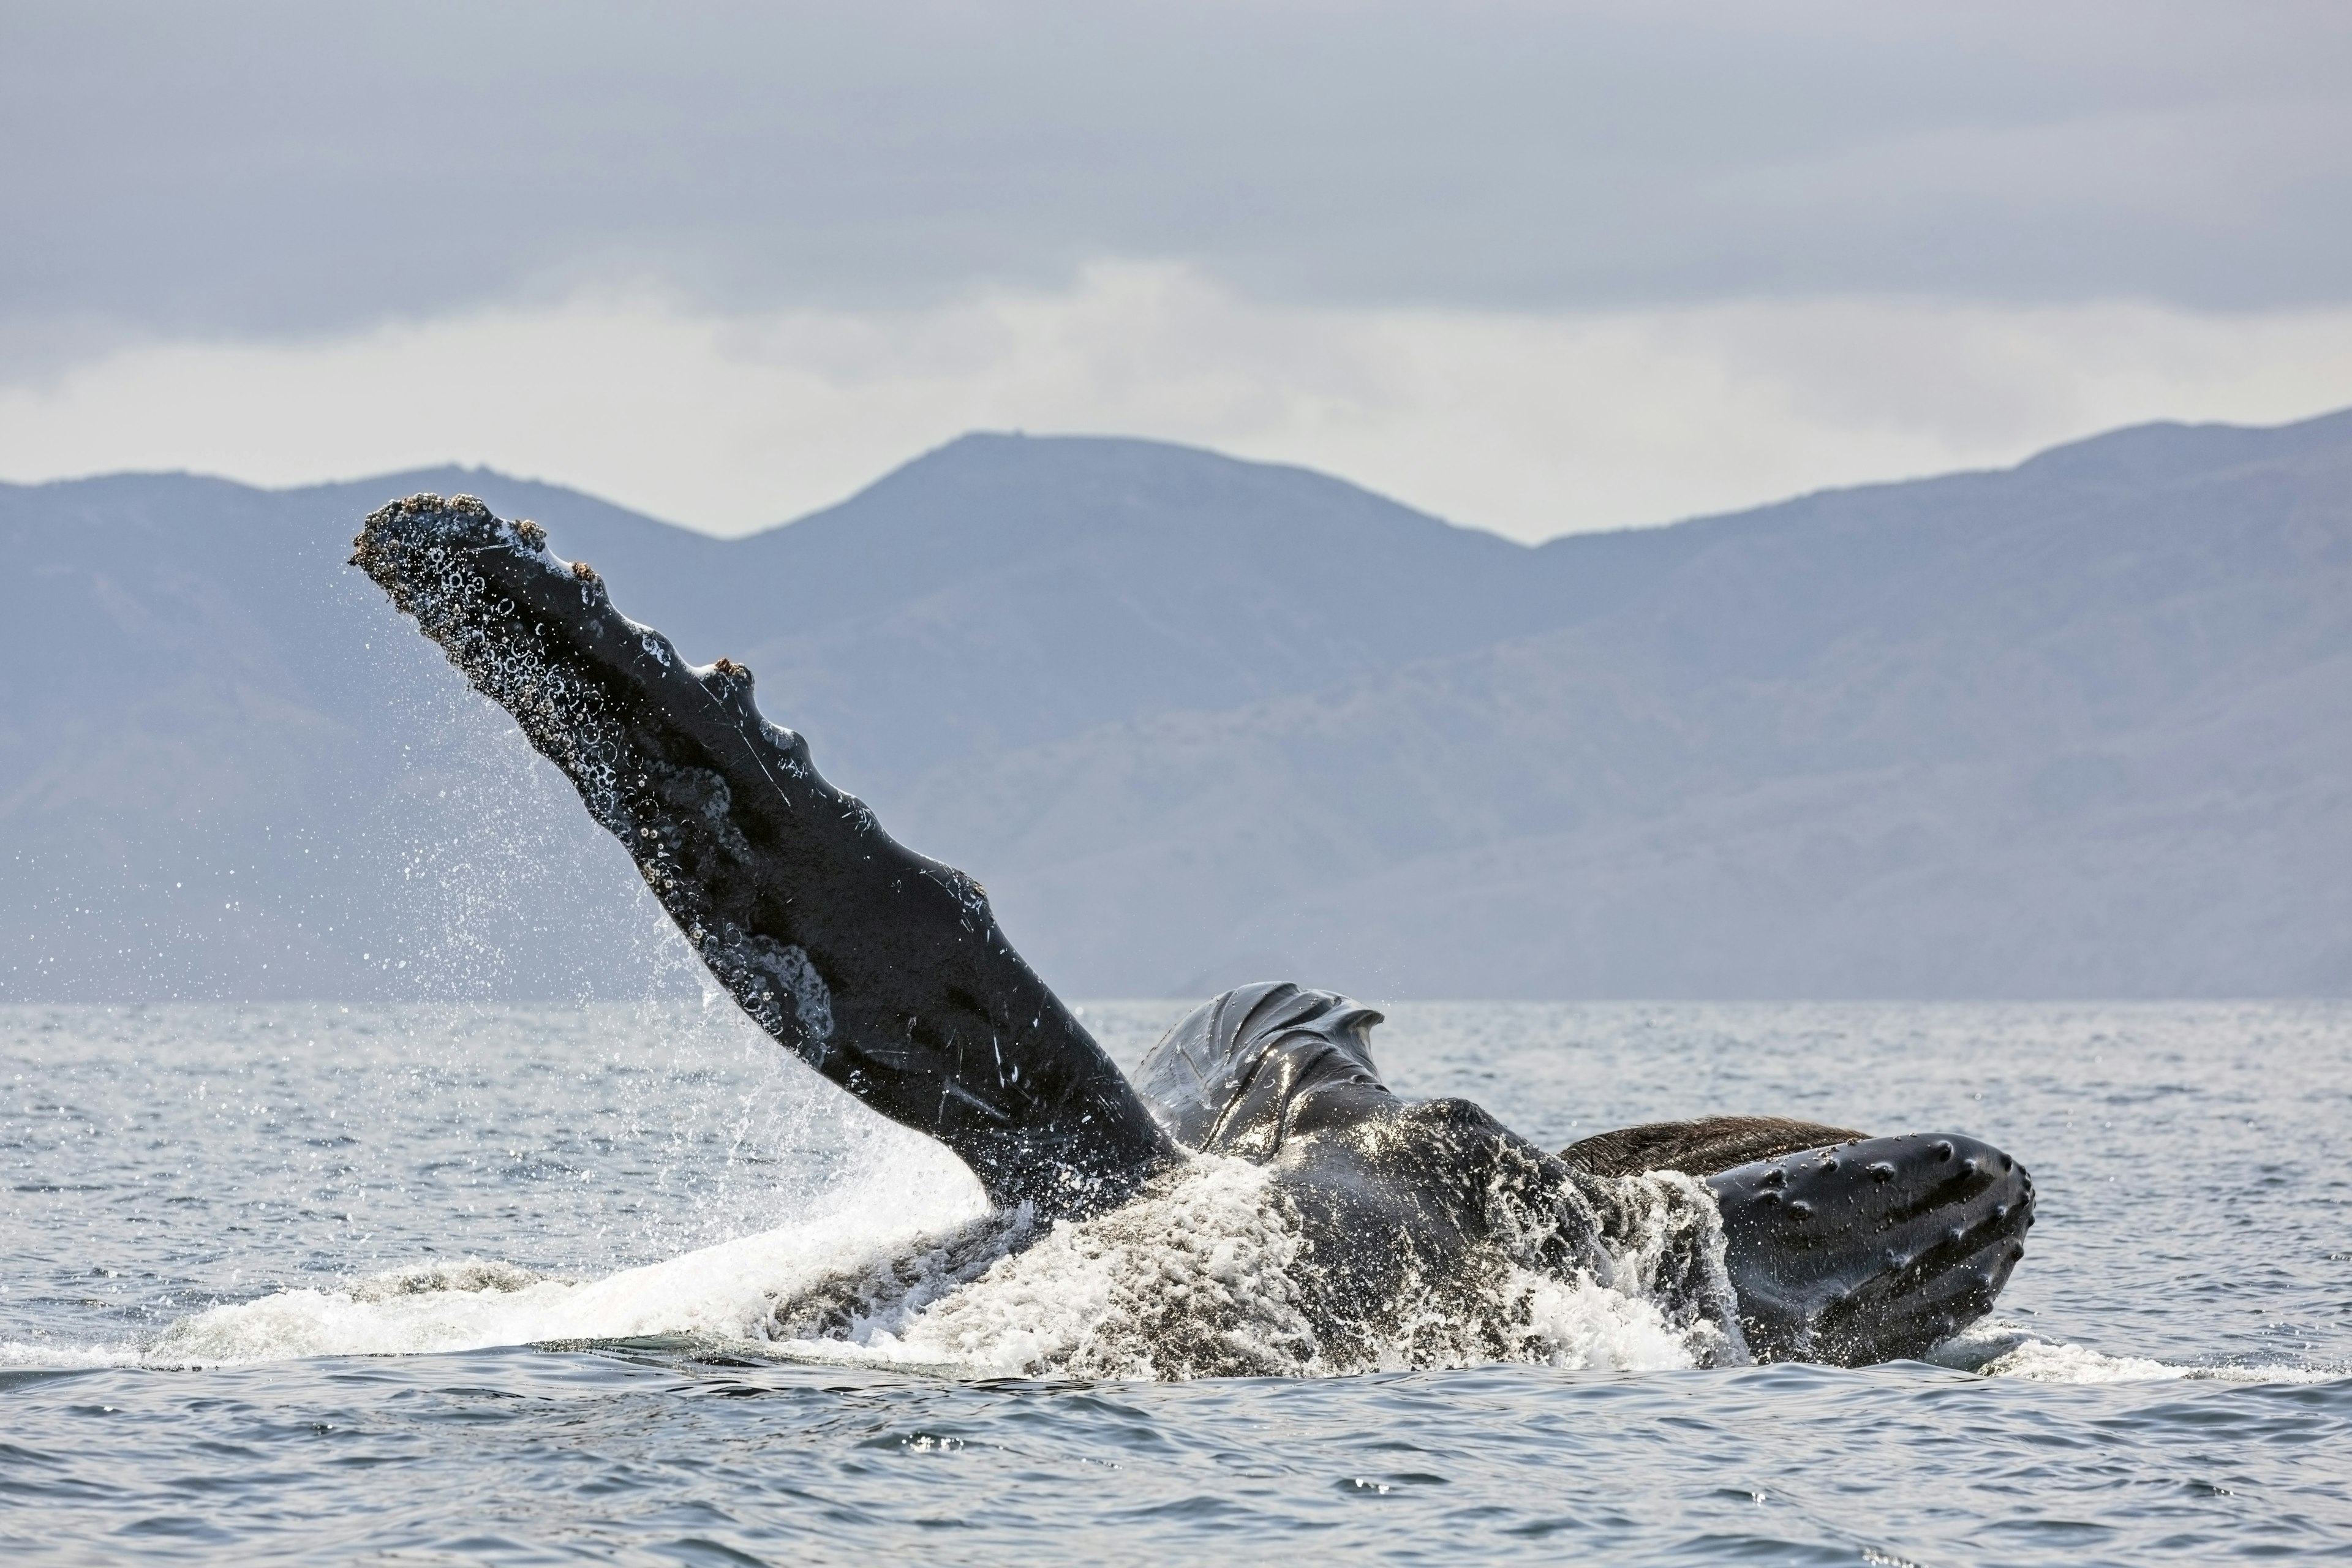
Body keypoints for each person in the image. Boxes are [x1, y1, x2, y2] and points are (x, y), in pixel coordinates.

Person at [355, 494, 2034, 1368]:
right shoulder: (1519, 1282)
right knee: (1274, 1044)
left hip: (1090, 1322)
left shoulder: (1299, 1211)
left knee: (1246, 1061)